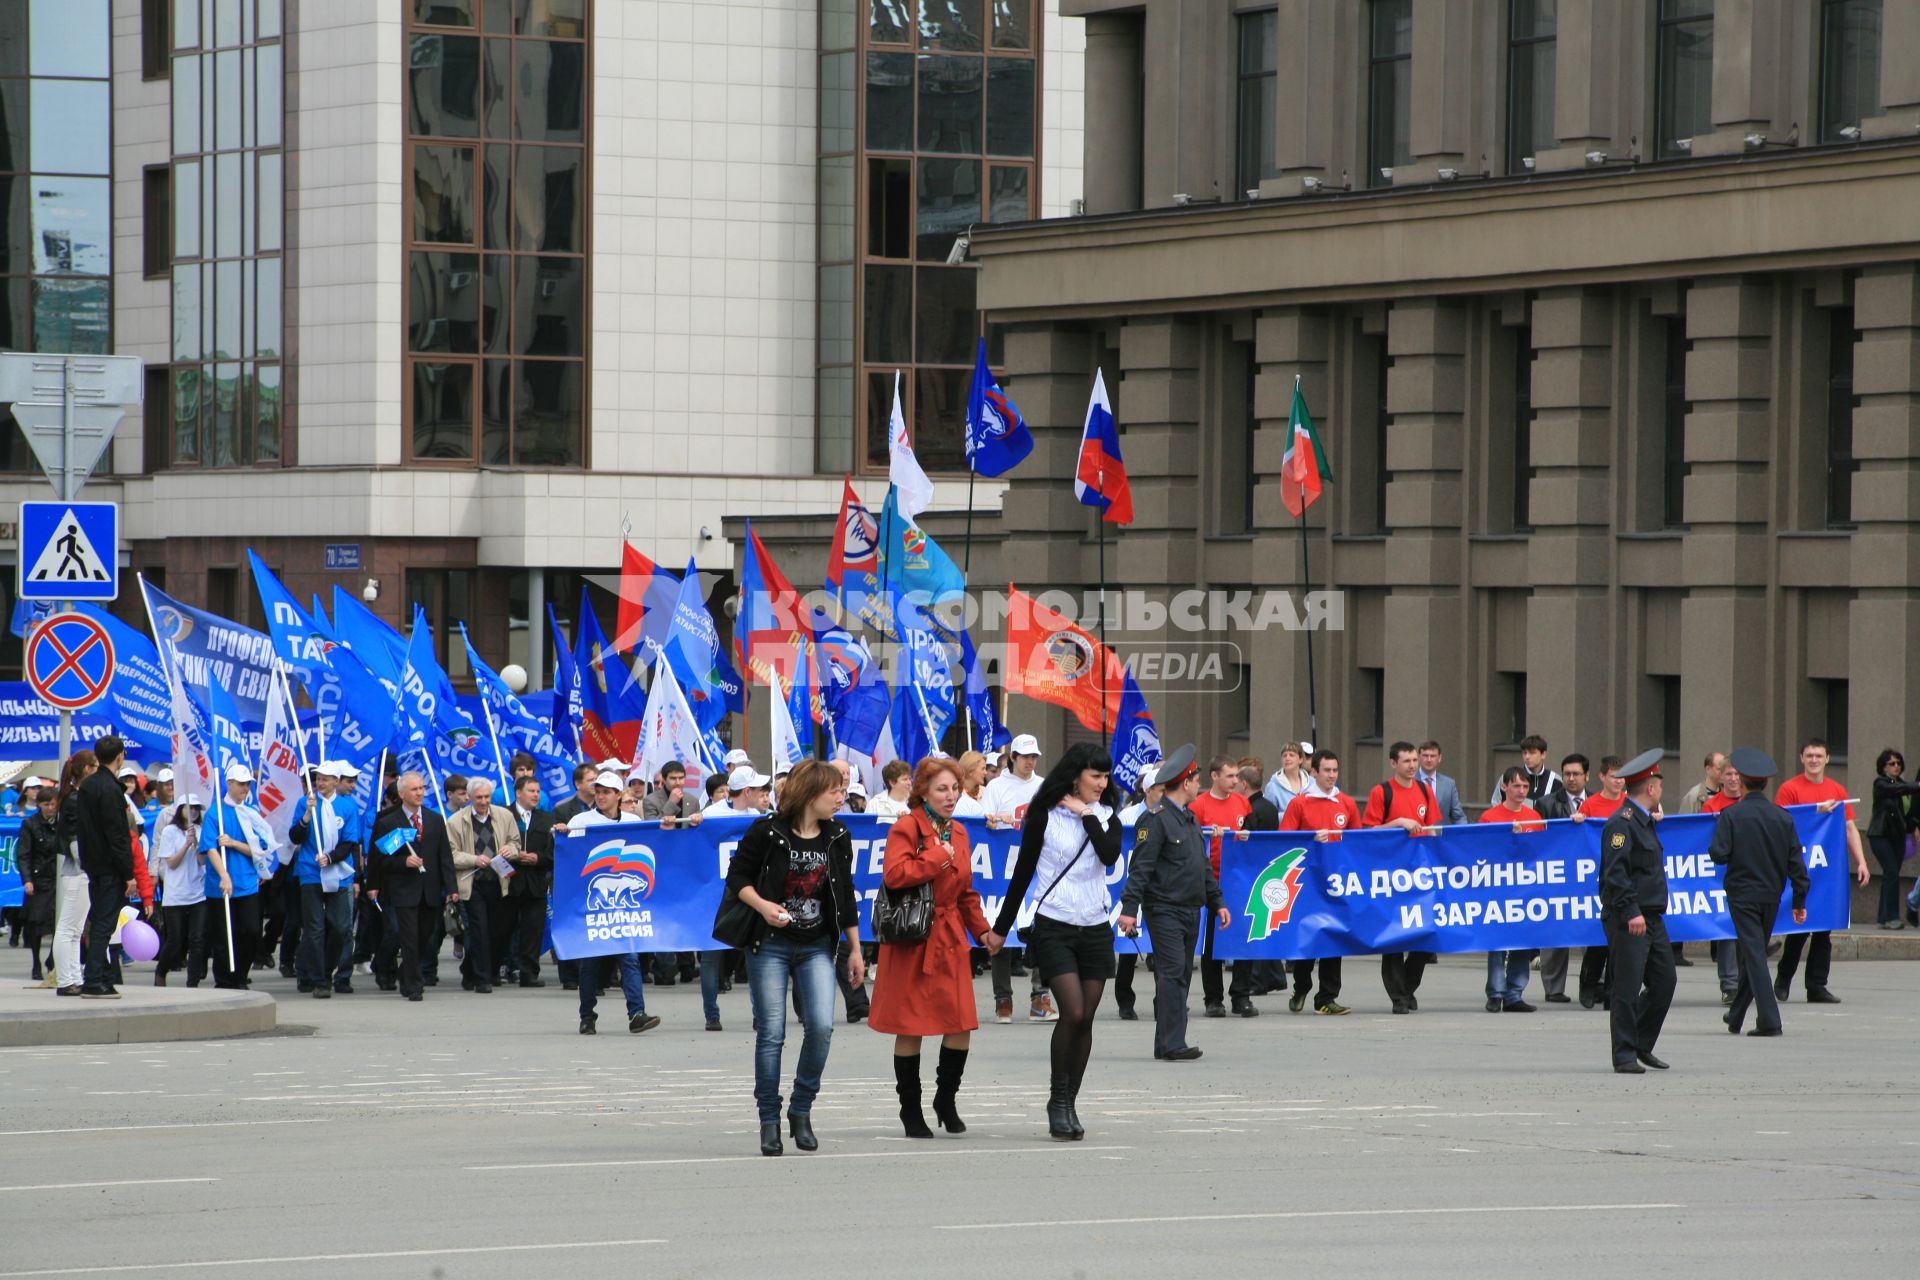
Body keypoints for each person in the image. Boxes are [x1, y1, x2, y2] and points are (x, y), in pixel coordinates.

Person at [724, 759, 863, 1156]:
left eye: (841, 790)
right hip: (769, 942)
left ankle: (801, 1110)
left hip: (817, 943)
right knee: (772, 1033)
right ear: (809, 794)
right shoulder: (767, 831)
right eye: (833, 791)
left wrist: (855, 949)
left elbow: (846, 894)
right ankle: (769, 1119)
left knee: (821, 1027)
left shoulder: (837, 835)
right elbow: (738, 879)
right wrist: (765, 906)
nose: (840, 797)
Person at [985, 744, 1124, 1140]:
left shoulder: (1107, 815)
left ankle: (1070, 1101)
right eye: (1094, 775)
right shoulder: (1043, 815)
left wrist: (1087, 815)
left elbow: (1109, 855)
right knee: (1074, 1012)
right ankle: (1057, 1099)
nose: (1102, 783)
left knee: (1086, 1020)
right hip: (1055, 924)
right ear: (1075, 775)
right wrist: (1000, 927)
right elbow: (1023, 872)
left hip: (1096, 925)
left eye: (1105, 776)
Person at [866, 757, 990, 1139]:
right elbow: (895, 875)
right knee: (911, 1027)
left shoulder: (961, 833)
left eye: (955, 788)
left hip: (950, 937)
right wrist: (938, 856)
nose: (951, 796)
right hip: (913, 938)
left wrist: (982, 931)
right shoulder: (906, 827)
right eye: (942, 789)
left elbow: (966, 891)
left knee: (960, 1023)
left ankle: (946, 1098)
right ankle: (910, 1109)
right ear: (922, 791)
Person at [1118, 745, 1227, 1062]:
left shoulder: (1189, 820)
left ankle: (1168, 1041)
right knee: (1172, 973)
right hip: (1164, 908)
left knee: (1180, 974)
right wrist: (1129, 910)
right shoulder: (1155, 820)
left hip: (1192, 909)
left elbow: (1201, 866)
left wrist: (1217, 901)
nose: (1199, 784)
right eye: (1196, 778)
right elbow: (1140, 868)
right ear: (1186, 782)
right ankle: (1172, 1042)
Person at [1711, 749, 1809, 1037]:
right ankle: (1736, 1015)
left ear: (1740, 781)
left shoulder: (1731, 815)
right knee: (1754, 953)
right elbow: (1796, 863)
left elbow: (1718, 854)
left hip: (1742, 895)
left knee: (1753, 955)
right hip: (1771, 896)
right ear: (1765, 784)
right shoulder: (1782, 818)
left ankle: (1769, 1020)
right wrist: (1800, 899)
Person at [557, 771, 660, 1035]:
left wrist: (668, 824)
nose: (601, 796)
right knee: (591, 963)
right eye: (598, 791)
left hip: (622, 910)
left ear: (618, 795)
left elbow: (655, 841)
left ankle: (636, 1013)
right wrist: (562, 834)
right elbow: (569, 856)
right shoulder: (581, 820)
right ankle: (587, 1015)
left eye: (607, 792)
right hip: (592, 905)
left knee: (630, 958)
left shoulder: (633, 820)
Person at [1772, 739, 1872, 1003]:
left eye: (1819, 756)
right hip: (1799, 867)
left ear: (1827, 759)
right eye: (1809, 756)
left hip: (1827, 870)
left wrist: (1861, 861)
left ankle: (1816, 986)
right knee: (1798, 930)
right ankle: (1783, 981)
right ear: (1801, 758)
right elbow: (1780, 821)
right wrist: (1814, 811)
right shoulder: (1789, 789)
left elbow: (1849, 827)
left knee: (1823, 931)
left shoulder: (1837, 789)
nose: (1814, 760)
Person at [1598, 749, 1675, 1074]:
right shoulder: (1621, 824)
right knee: (1627, 988)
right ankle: (1625, 1053)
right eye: (1659, 785)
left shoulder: (1644, 822)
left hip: (1652, 917)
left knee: (1664, 981)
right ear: (1652, 789)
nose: (1661, 791)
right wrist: (1631, 911)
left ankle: (1642, 1042)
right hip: (1629, 918)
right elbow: (1615, 874)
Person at [1276, 749, 1357, 1015]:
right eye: (1327, 770)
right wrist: (1310, 840)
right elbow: (1283, 841)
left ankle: (1327, 997)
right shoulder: (1300, 803)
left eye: (1335, 770)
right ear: (1314, 772)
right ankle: (1301, 986)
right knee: (1309, 938)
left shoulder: (1346, 803)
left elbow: (1357, 842)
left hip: (1336, 883)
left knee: (1335, 938)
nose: (1332, 776)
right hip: (1307, 882)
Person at [367, 771, 459, 1003]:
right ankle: (414, 985)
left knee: (424, 936)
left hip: (430, 889)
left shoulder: (434, 819)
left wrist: (451, 887)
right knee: (407, 936)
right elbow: (379, 860)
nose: (419, 793)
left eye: (421, 788)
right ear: (401, 793)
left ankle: (406, 972)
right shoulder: (388, 821)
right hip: (402, 889)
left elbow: (444, 856)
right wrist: (402, 862)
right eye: (414, 789)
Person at [1361, 741, 1437, 1014]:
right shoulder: (1381, 792)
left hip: (1419, 872)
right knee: (1393, 938)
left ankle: (1407, 987)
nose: (1413, 765)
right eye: (1406, 761)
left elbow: (1433, 828)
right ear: (1394, 763)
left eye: (1415, 760)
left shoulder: (1425, 791)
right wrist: (1397, 823)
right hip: (1390, 874)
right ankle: (1399, 997)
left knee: (1425, 936)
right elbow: (1368, 831)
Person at [983, 735, 1053, 1023]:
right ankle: (1003, 999)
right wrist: (993, 818)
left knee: (1042, 929)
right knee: (1001, 927)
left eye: (1034, 756)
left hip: (1039, 869)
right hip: (1003, 868)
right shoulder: (997, 786)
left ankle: (1040, 996)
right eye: (1024, 756)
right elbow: (983, 820)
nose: (1030, 761)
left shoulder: (1044, 786)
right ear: (1012, 757)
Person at [78, 736, 145, 998]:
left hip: (93, 865)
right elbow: (118, 836)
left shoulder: (88, 786)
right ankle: (94, 979)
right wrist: (128, 874)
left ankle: (101, 976)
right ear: (119, 756)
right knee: (104, 925)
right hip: (109, 868)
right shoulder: (110, 789)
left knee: (100, 922)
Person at [1190, 754, 1255, 1018]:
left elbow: (1250, 836)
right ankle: (1213, 999)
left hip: (1237, 879)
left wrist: (1246, 836)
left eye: (1236, 776)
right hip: (1211, 879)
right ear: (1214, 776)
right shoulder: (1199, 806)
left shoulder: (1242, 803)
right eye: (1229, 776)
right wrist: (1207, 832)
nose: (1235, 781)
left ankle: (1241, 996)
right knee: (1212, 943)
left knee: (1243, 938)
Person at [447, 777, 520, 995]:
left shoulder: (504, 816)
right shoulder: (456, 821)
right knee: (479, 931)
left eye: (487, 796)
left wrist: (509, 850)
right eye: (479, 797)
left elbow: (515, 843)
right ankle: (482, 978)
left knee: (498, 931)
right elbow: (451, 854)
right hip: (473, 882)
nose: (483, 801)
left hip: (499, 881)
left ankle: (469, 970)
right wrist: (474, 859)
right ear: (469, 798)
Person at [1480, 766, 1544, 1013]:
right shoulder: (1490, 817)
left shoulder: (1534, 817)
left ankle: (1515, 993)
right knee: (1497, 942)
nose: (1521, 791)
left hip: (1525, 889)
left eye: (1525, 786)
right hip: (1498, 888)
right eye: (1516, 786)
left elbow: (1540, 853)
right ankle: (1495, 993)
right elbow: (1483, 852)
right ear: (1504, 787)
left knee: (1522, 940)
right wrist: (1510, 839)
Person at [200, 765, 268, 991]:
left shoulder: (251, 812)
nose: (244, 788)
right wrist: (223, 874)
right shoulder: (215, 812)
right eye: (240, 784)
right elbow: (209, 847)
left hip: (247, 881)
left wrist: (234, 843)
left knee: (251, 931)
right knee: (223, 935)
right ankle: (225, 980)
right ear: (229, 784)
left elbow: (260, 849)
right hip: (220, 884)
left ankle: (241, 973)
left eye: (247, 784)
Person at [1572, 756, 1627, 1009]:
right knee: (1598, 941)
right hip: (1595, 878)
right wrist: (1577, 823)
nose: (1618, 781)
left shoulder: (1630, 805)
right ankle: (1588, 985)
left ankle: (1611, 991)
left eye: (1622, 776)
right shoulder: (1590, 805)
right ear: (1602, 777)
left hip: (1624, 877)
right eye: (1614, 776)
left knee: (1619, 943)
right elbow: (1577, 841)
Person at [1535, 753, 1590, 1002]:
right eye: (1567, 774)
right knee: (1555, 932)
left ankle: (1592, 986)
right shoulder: (1546, 803)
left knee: (1592, 932)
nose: (1571, 779)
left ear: (1586, 776)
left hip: (1588, 876)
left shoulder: (1596, 803)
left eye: (1576, 774)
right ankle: (1554, 989)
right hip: (1557, 874)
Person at [1112, 765, 1163, 1021]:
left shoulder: (1172, 814)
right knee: (1129, 948)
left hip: (1161, 888)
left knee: (1163, 950)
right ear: (1148, 790)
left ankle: (1163, 1001)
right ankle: (1125, 1001)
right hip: (1133, 883)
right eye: (1160, 789)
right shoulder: (1129, 816)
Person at [52, 752, 99, 996]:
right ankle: (65, 979)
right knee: (68, 927)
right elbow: (75, 838)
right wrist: (89, 865)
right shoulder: (74, 799)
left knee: (75, 928)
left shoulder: (74, 797)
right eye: (95, 767)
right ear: (87, 770)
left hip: (80, 869)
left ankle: (72, 976)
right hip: (78, 869)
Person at [152, 799, 209, 988]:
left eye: (196, 808)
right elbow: (171, 863)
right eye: (189, 808)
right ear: (180, 809)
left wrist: (198, 844)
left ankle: (192, 982)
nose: (193, 811)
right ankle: (161, 971)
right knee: (175, 941)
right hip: (175, 894)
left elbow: (202, 861)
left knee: (197, 939)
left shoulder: (200, 830)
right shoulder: (170, 831)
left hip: (198, 893)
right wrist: (186, 845)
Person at [503, 773, 554, 987]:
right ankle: (499, 967)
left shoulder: (546, 819)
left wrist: (538, 858)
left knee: (533, 930)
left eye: (537, 791)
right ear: (518, 793)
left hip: (535, 883)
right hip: (509, 881)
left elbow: (552, 853)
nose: (535, 795)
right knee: (504, 928)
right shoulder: (504, 815)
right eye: (531, 791)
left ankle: (528, 972)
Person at [1865, 748, 1920, 929]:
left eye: (1898, 763)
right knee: (1891, 873)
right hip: (1880, 835)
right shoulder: (1881, 784)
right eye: (1892, 763)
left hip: (1897, 836)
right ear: (1883, 767)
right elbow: (1894, 789)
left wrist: (1913, 827)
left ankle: (1883, 917)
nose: (1896, 766)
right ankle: (1892, 917)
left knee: (1892, 875)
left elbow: (1908, 812)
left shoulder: (1903, 785)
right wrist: (1917, 785)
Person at [19, 786, 61, 984]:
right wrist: (27, 879)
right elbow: (24, 854)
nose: (51, 808)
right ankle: (35, 961)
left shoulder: (61, 823)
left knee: (57, 923)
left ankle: (52, 959)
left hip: (57, 878)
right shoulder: (30, 824)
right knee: (35, 923)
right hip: (38, 879)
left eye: (53, 804)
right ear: (39, 805)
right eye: (47, 805)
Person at [1490, 734, 1566, 809]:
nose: (1527, 757)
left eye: (1532, 753)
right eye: (1524, 753)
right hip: (1514, 820)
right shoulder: (1508, 777)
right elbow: (1496, 804)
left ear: (1543, 754)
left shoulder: (1556, 780)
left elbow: (1562, 809)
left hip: (1544, 821)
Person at [1417, 741, 1469, 826]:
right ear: (1419, 757)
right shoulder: (1409, 781)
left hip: (1440, 837)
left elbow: (1458, 817)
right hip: (1415, 837)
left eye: (1433, 756)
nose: (1429, 760)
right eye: (1425, 756)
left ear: (1439, 758)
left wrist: (1463, 835)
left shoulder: (1449, 784)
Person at [952, 751, 990, 818]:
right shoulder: (955, 794)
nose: (986, 772)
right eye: (983, 769)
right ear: (970, 770)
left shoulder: (987, 791)